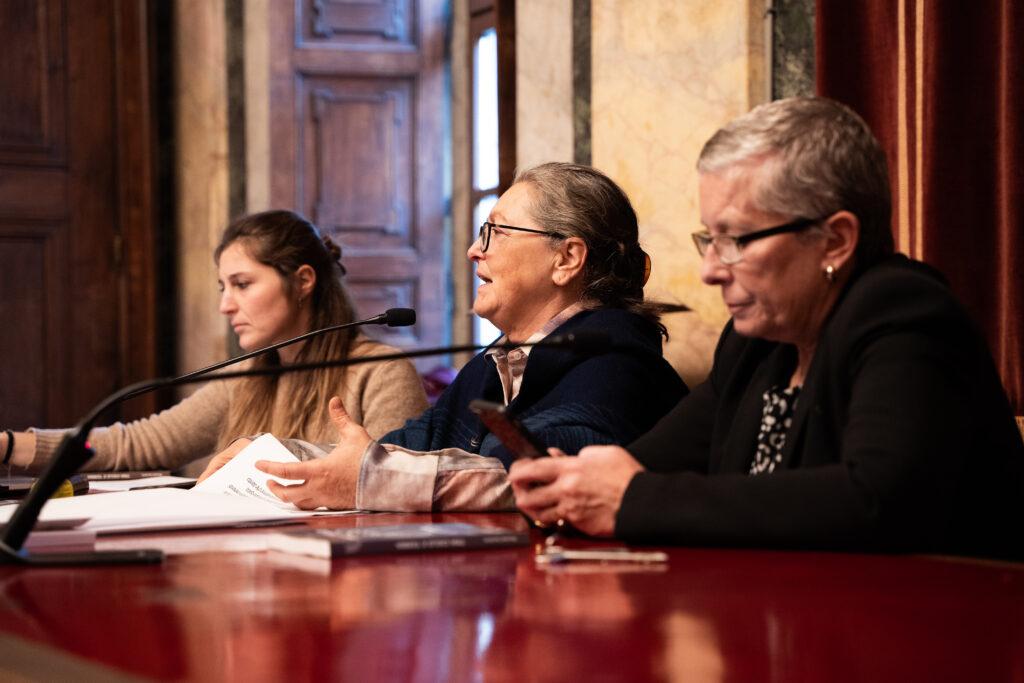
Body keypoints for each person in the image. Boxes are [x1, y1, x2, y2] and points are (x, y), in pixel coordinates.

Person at [510, 97, 1024, 559]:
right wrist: (570, 483)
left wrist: (631, 499)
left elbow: (878, 501)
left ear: (835, 240)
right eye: (709, 239)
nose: (711, 268)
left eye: (735, 239)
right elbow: (642, 466)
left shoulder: (904, 314)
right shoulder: (757, 342)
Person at [201, 163, 688, 511]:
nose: (476, 250)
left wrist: (372, 478)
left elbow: (534, 479)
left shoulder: (617, 364)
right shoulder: (496, 364)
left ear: (566, 259)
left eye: (496, 232)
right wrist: (275, 457)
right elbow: (405, 449)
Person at [1, 210, 428, 473]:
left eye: (242, 285)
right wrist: (10, 447)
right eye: (222, 287)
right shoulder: (250, 373)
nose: (226, 305)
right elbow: (143, 444)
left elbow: (391, 486)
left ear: (302, 281)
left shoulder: (382, 372)